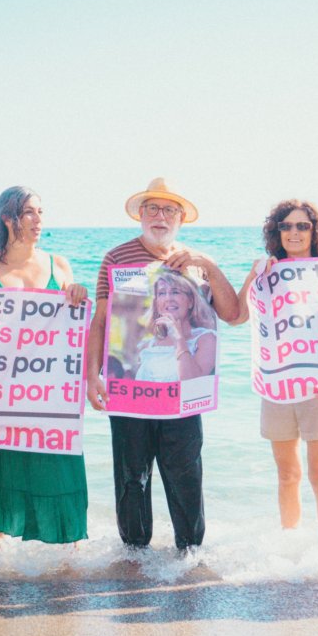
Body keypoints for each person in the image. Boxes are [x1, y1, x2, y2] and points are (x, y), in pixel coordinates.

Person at [86, 177, 240, 552]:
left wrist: (209, 266)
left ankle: (190, 555)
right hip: (132, 390)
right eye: (152, 208)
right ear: (140, 215)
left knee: (186, 475)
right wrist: (91, 376)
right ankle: (134, 556)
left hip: (184, 392)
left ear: (181, 219)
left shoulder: (197, 263)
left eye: (169, 210)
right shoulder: (116, 258)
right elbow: (101, 321)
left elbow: (232, 314)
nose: (160, 216)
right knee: (131, 477)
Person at [0, 186, 89, 547]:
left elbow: (73, 325)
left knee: (61, 476)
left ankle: (70, 563)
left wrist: (77, 292)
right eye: (29, 212)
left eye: (40, 212)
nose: (38, 220)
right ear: (8, 219)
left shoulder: (58, 265)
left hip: (48, 397)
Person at [231, 200, 318, 544]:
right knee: (287, 475)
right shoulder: (266, 273)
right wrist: (253, 275)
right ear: (276, 232)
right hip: (277, 385)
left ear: (314, 231)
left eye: (302, 226)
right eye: (286, 226)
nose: (294, 232)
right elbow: (237, 316)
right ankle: (290, 547)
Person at [134, 270, 217, 382]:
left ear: (191, 301)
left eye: (175, 292)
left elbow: (191, 383)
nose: (168, 298)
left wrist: (179, 339)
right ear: (157, 304)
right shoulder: (147, 346)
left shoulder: (207, 339)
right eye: (162, 293)